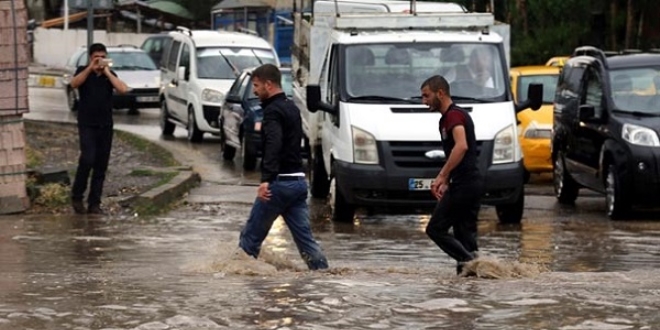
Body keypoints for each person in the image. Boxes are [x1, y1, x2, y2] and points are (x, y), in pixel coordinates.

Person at [238, 64, 329, 271]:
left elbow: (273, 145)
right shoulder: (292, 108)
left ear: (268, 85)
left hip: (278, 185)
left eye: (256, 85)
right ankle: (324, 277)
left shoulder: (272, 111)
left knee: (249, 239)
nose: (254, 90)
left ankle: (240, 282)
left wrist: (266, 180)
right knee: (306, 242)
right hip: (298, 184)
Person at [420, 75, 484, 276]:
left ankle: (470, 263)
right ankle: (470, 286)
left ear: (440, 93)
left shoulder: (453, 117)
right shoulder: (448, 118)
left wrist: (441, 176)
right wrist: (447, 179)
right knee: (465, 237)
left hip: (465, 185)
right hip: (469, 183)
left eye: (426, 96)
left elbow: (461, 146)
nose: (424, 102)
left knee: (435, 229)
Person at [69, 43, 128, 214]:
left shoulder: (109, 75)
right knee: (87, 159)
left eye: (103, 57)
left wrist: (107, 72)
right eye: (97, 57)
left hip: (105, 125)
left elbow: (123, 89)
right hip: (87, 123)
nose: (100, 60)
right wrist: (90, 68)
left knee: (101, 164)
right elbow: (73, 84)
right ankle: (77, 195)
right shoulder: (83, 71)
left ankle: (94, 202)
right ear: (90, 57)